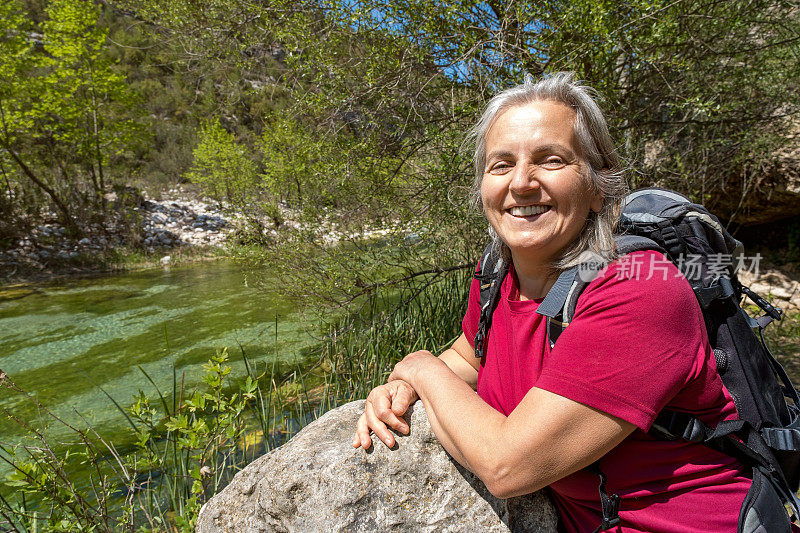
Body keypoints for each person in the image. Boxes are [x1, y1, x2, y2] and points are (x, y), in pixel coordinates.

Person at [351, 72, 752, 532]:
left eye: (551, 159)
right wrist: (403, 392)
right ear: (482, 189)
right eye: (500, 165)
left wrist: (420, 366)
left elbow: (508, 466)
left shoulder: (641, 293)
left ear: (599, 187)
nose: (521, 183)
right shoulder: (497, 277)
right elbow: (468, 357)